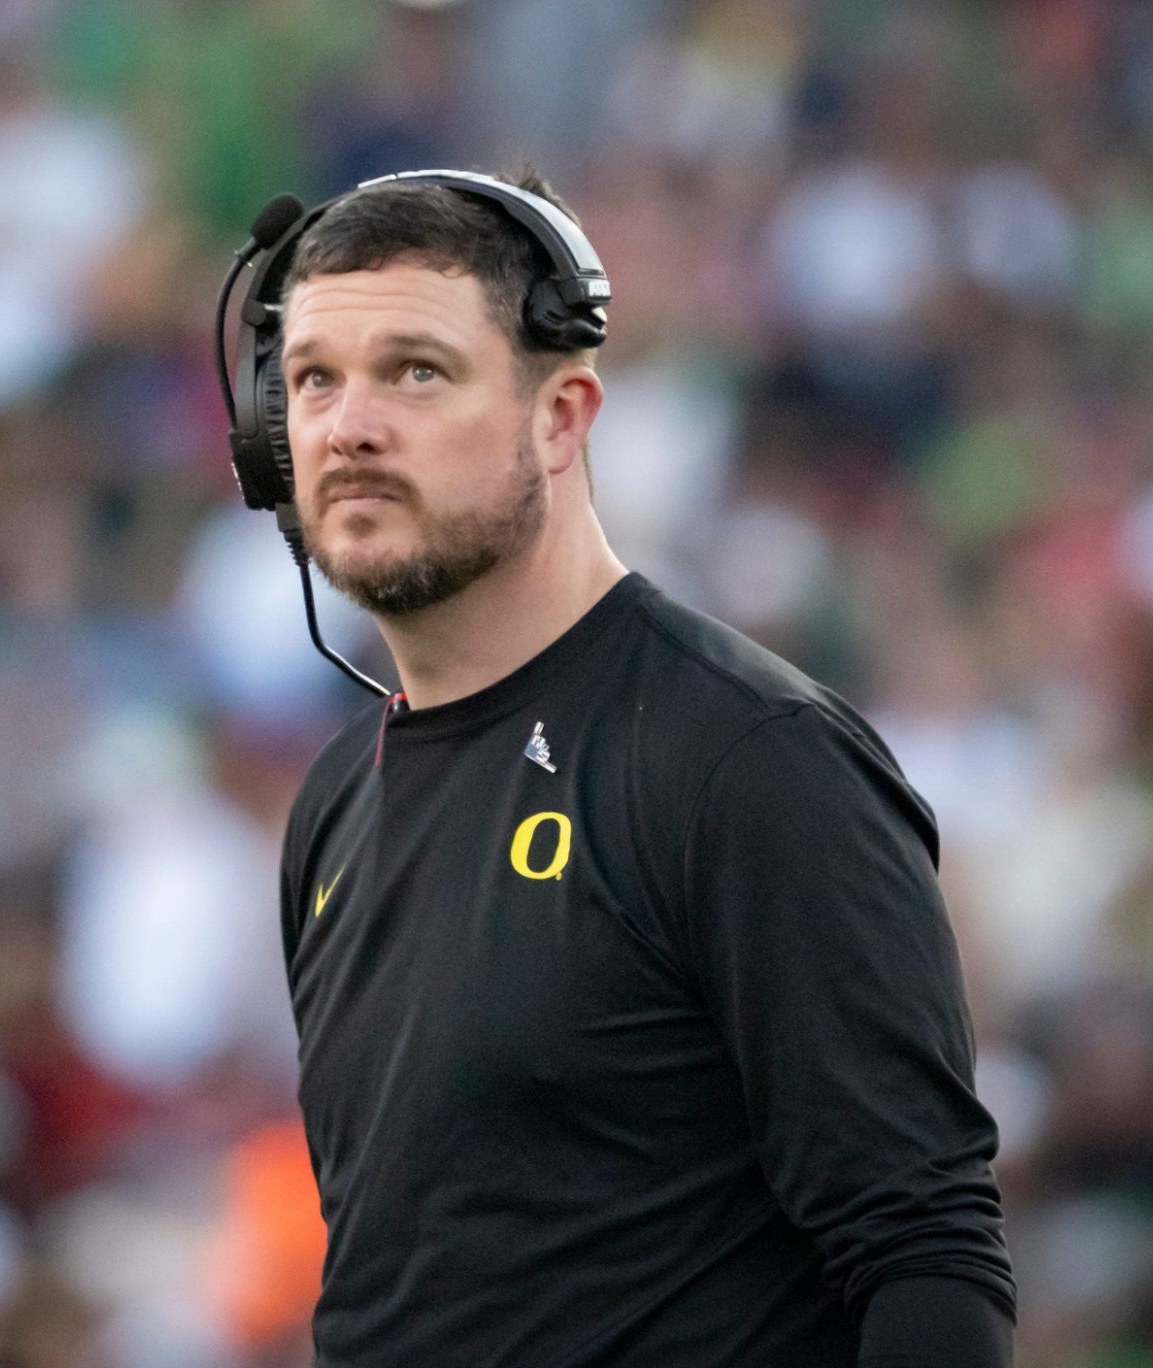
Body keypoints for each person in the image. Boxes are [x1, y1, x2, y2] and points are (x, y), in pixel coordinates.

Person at [258, 170, 1015, 1366]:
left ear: (561, 418)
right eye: (313, 379)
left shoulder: (749, 762)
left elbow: (927, 1261)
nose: (349, 425)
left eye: (417, 369)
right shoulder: (335, 806)